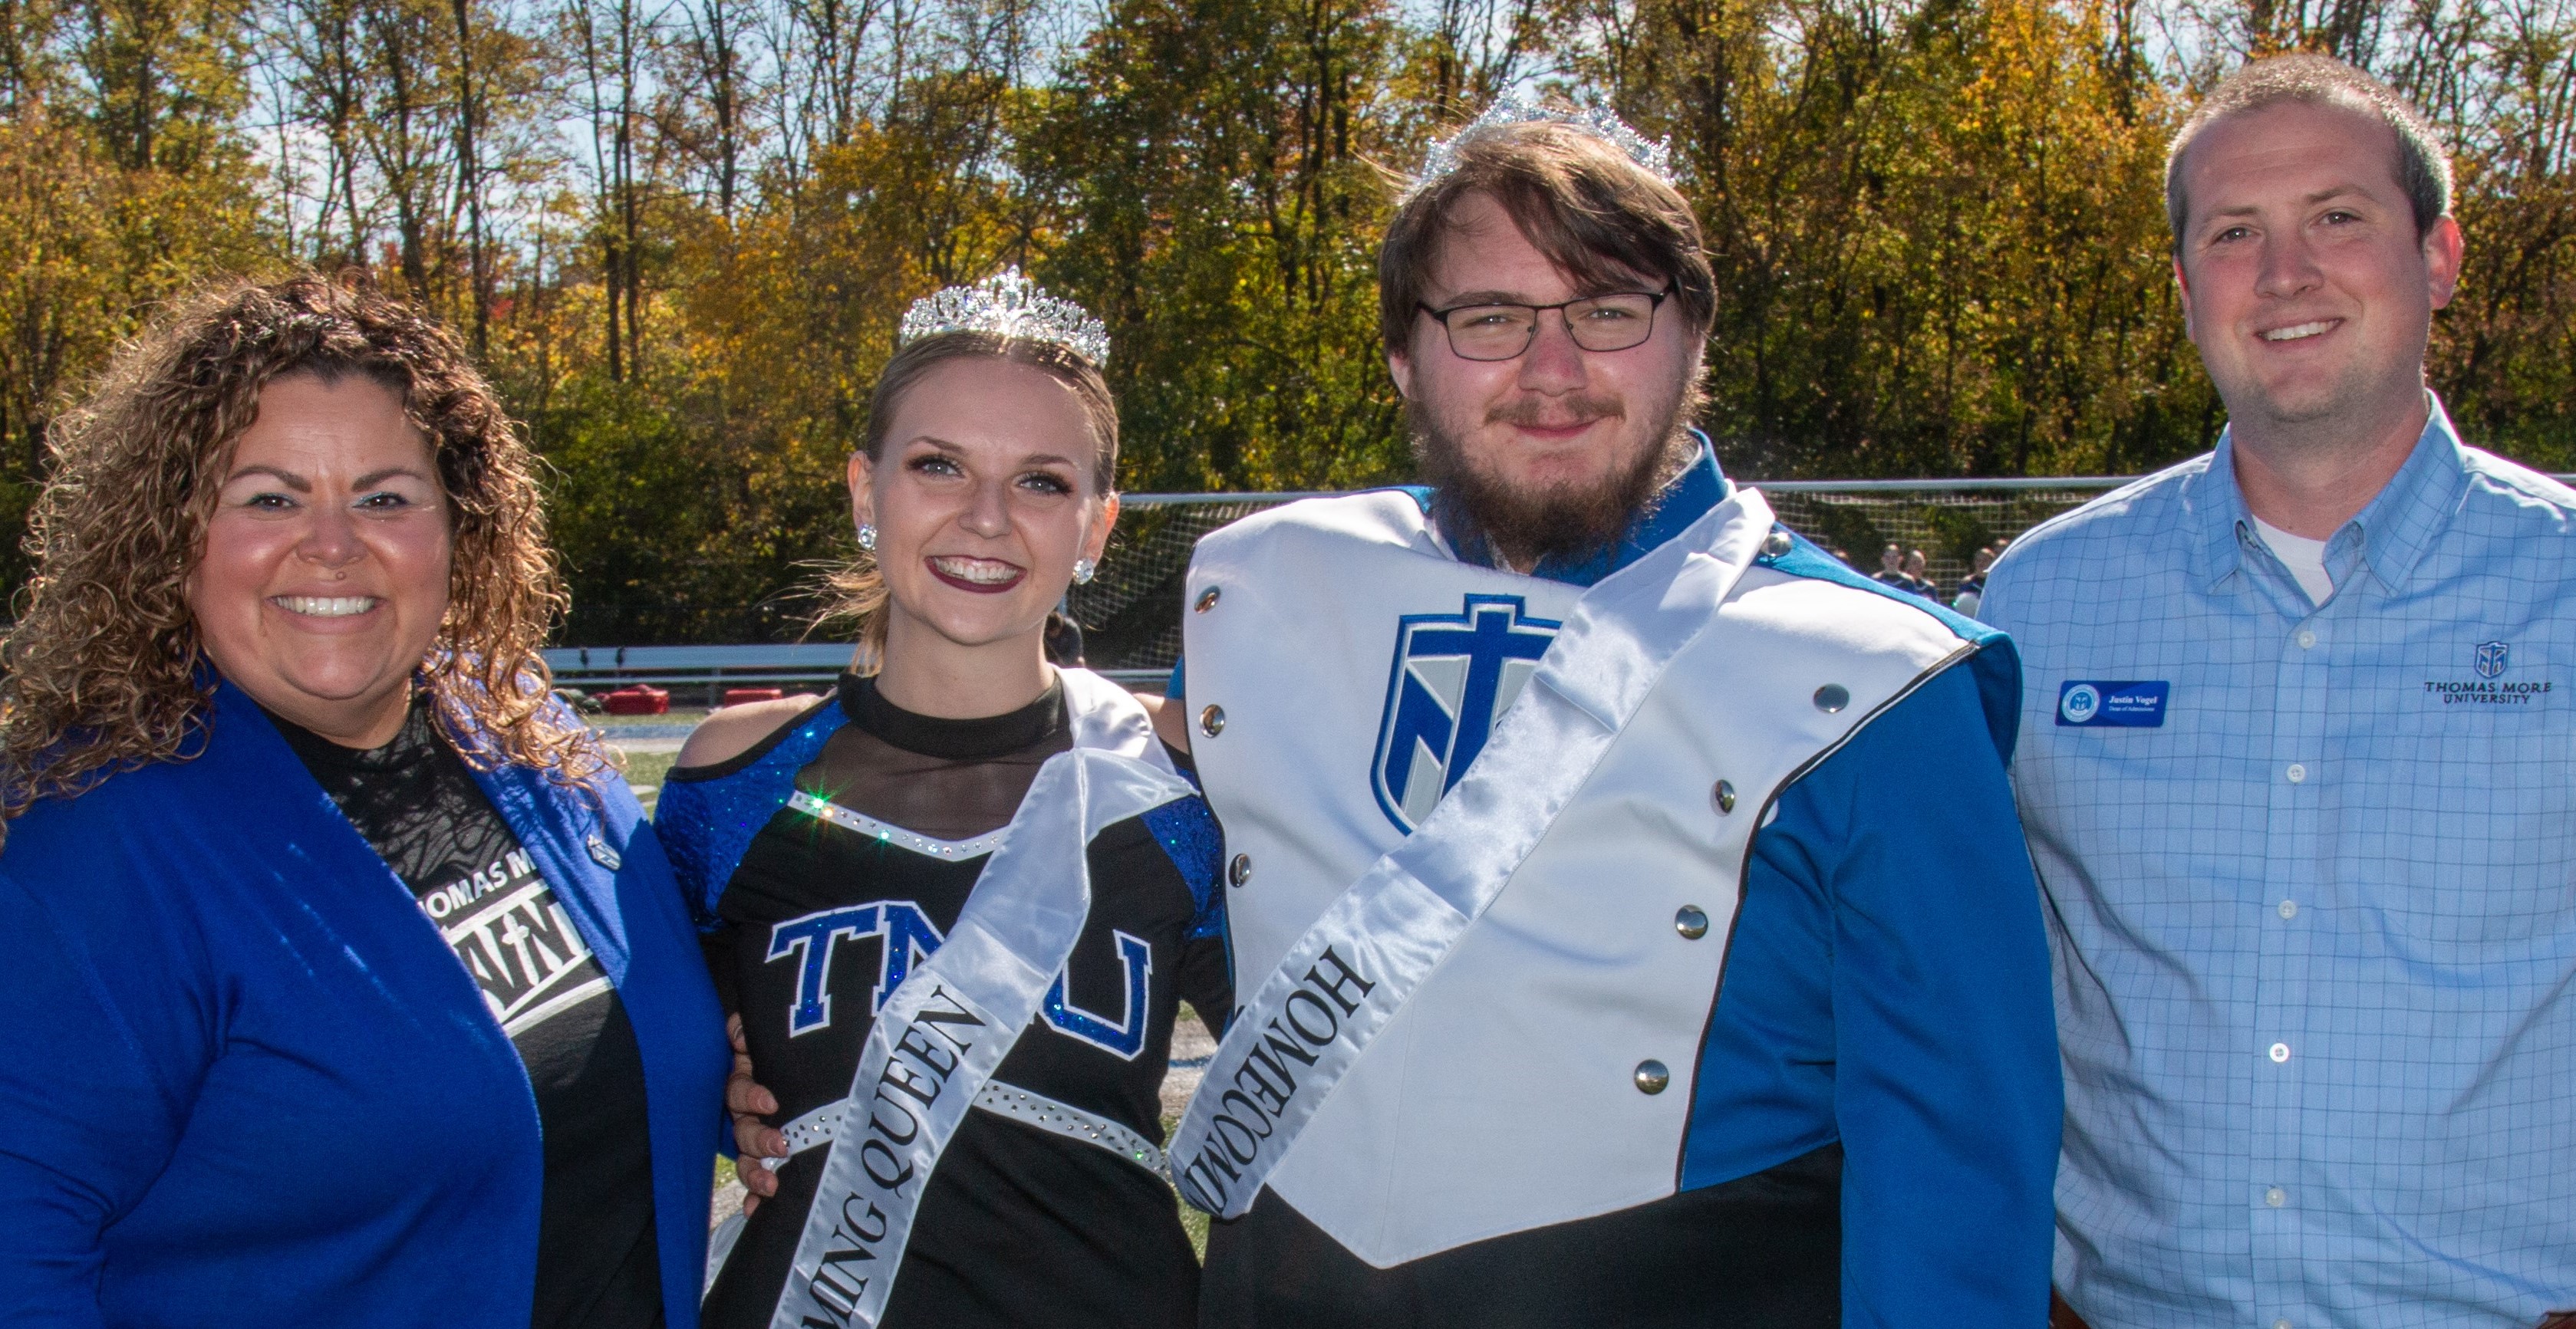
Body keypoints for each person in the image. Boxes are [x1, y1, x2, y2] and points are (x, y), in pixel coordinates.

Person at [1154, 96, 2058, 1325]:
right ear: (1401, 355)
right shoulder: (1262, 594)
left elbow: (1957, 1162)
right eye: (1488, 318)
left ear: (1693, 338)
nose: (1552, 370)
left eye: (1607, 310)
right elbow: (1084, 858)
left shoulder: (1874, 678)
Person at [0, 275, 730, 1327]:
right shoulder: (96, 848)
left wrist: (742, 1073)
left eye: (384, 496)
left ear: (458, 525)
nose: (333, 545)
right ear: (176, 533)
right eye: (269, 497)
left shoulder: (525, 737)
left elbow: (623, 1045)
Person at [1980, 54, 2576, 1327]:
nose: (2284, 273)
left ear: (2440, 257)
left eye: (2336, 219)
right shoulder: (2041, 602)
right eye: (2234, 233)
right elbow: (1969, 978)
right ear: (2187, 284)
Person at [657, 271, 1229, 1329]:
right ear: (864, 491)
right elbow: (642, 1075)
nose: (985, 518)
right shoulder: (728, 778)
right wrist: (715, 1104)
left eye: (1041, 483)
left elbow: (1306, 1079)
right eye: (938, 466)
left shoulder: (1182, 776)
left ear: (1098, 527)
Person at [1953, 544, 1998, 616]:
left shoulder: (1996, 582)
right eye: (1978, 560)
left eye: (1985, 560)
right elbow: (1957, 603)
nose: (1981, 563)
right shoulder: (1967, 582)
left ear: (1992, 562)